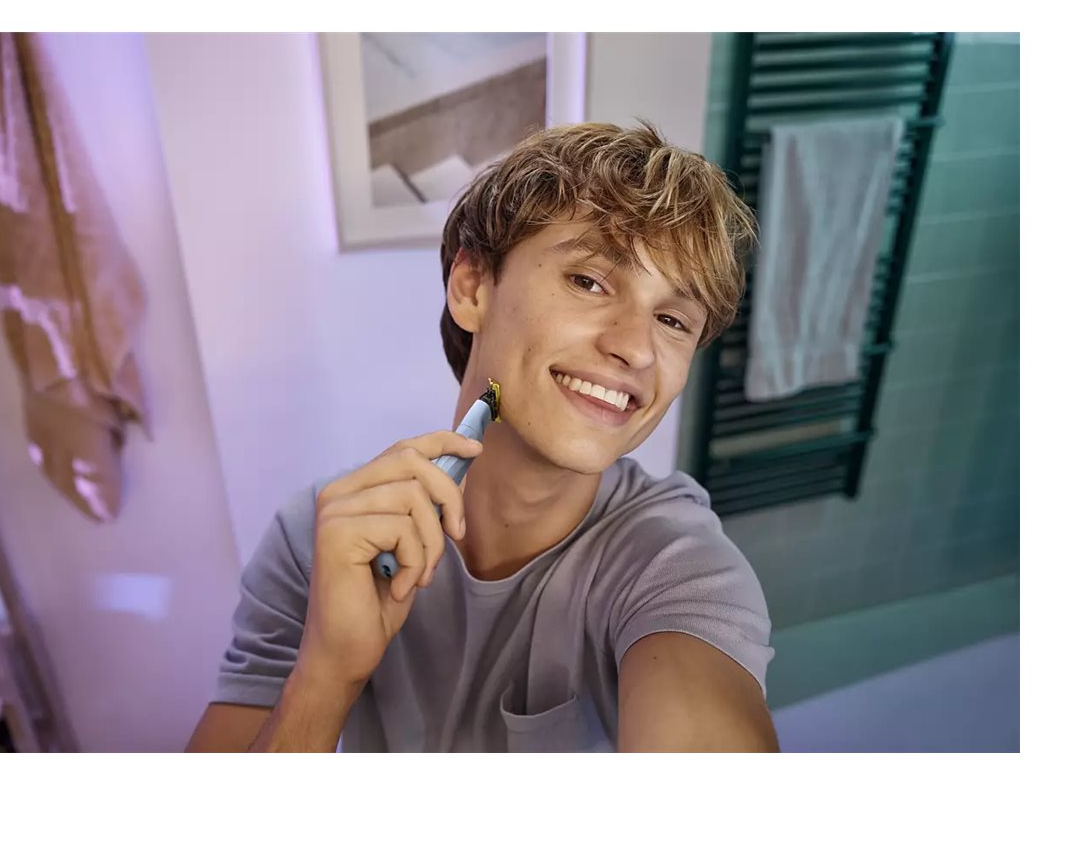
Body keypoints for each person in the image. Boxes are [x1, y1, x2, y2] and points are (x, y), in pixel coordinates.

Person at [186, 121, 779, 752]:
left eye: (673, 320)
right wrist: (325, 676)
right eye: (588, 281)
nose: (635, 348)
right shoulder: (320, 539)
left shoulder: (674, 566)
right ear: (472, 289)